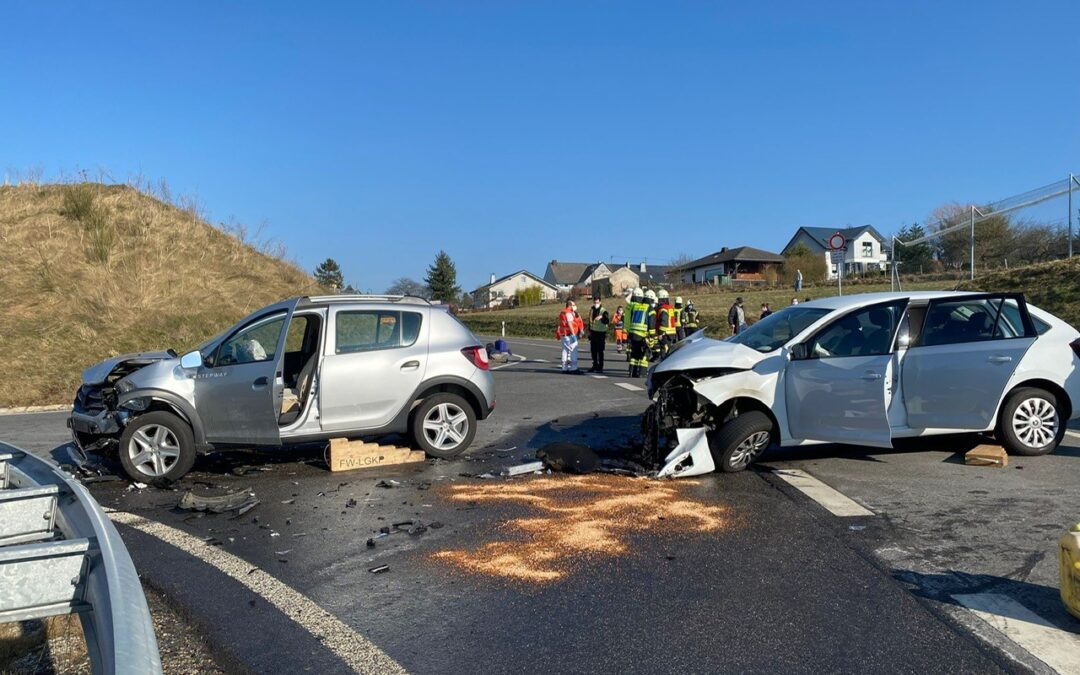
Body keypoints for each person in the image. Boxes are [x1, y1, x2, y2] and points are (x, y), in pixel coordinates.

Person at [626, 288, 649, 378]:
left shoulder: (629, 305)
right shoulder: (637, 306)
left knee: (633, 352)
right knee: (639, 352)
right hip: (639, 333)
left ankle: (632, 371)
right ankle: (639, 372)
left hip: (630, 330)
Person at [556, 300, 583, 374]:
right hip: (569, 335)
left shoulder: (563, 312)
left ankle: (564, 368)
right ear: (570, 305)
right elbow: (570, 324)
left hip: (563, 334)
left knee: (564, 351)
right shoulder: (568, 313)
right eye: (573, 305)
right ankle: (573, 368)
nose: (575, 306)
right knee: (573, 351)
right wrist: (574, 335)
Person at [587, 296, 609, 373]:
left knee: (600, 350)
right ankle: (595, 365)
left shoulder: (604, 311)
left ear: (600, 302)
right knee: (593, 350)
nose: (596, 303)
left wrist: (602, 317)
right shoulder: (592, 309)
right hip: (593, 332)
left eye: (597, 302)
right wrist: (589, 332)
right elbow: (590, 321)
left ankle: (600, 366)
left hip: (601, 333)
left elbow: (607, 321)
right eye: (595, 302)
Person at [654, 289, 677, 358]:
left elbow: (664, 322)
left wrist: (661, 333)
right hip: (671, 332)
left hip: (665, 333)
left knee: (664, 350)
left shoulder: (663, 309)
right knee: (667, 349)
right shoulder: (670, 308)